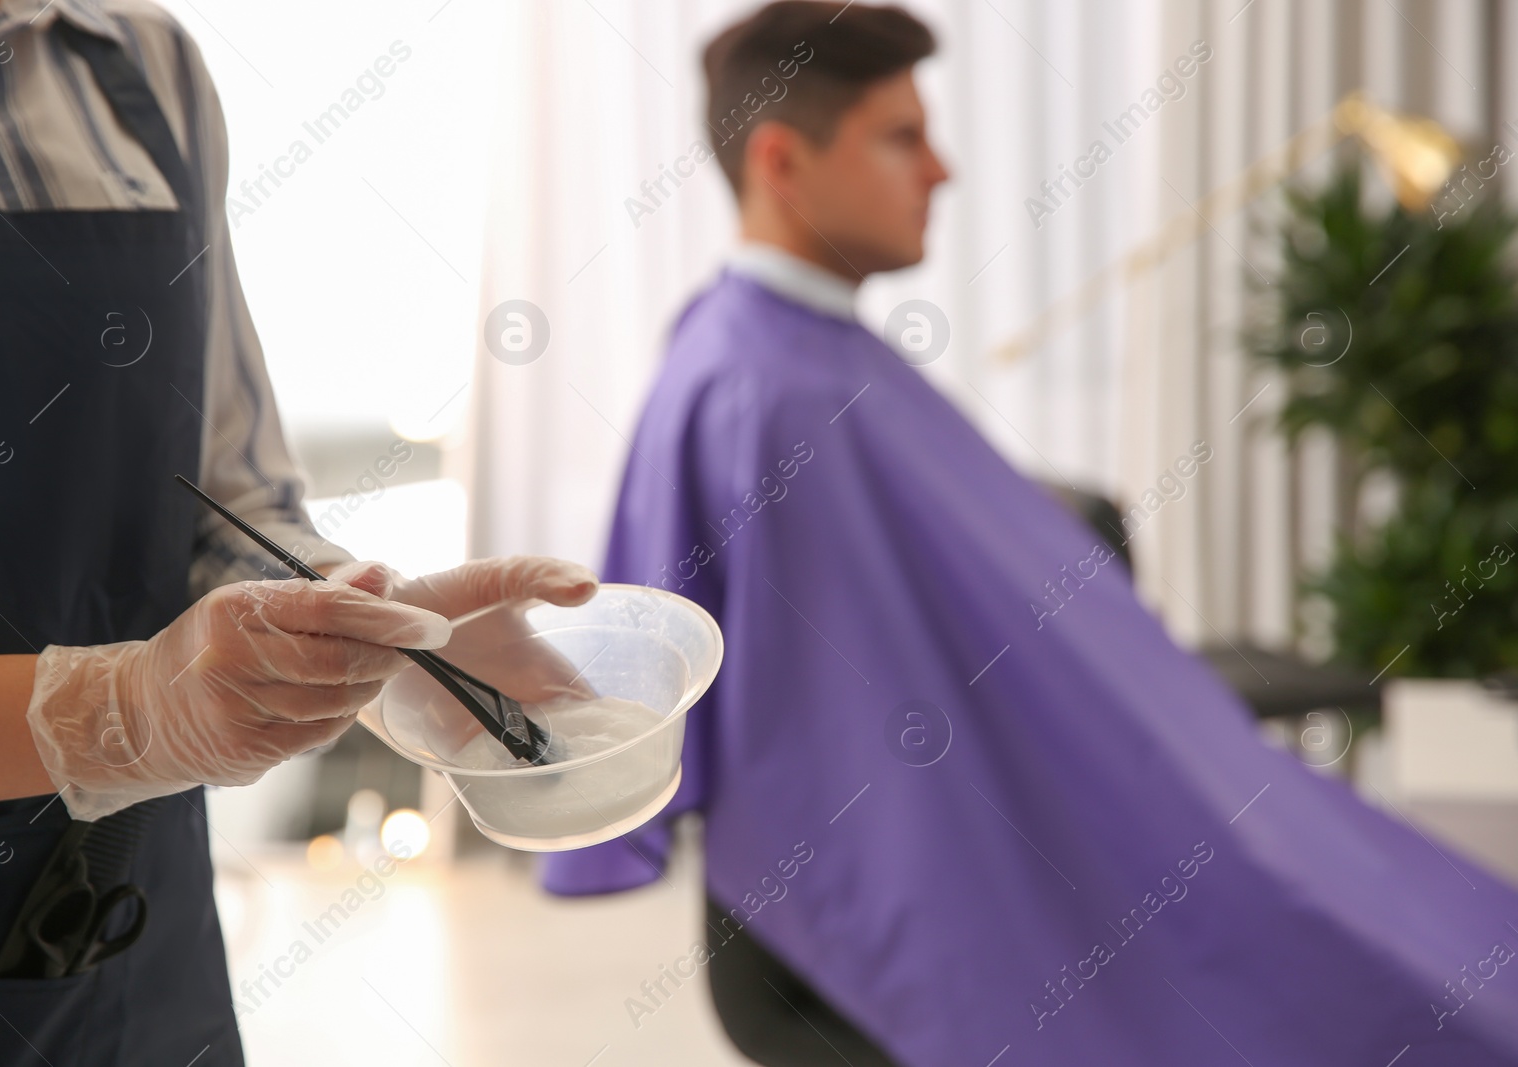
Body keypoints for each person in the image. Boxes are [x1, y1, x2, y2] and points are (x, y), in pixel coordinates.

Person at [541, 3, 1518, 1065]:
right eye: (902, 138)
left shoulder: (796, 356)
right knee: (1352, 951)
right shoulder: (763, 394)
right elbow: (839, 747)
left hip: (958, 853)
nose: (943, 170)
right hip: (880, 928)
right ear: (782, 159)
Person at [0, 1, 597, 1064]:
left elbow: (224, 492)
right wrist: (121, 708)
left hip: (131, 918)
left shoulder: (144, 68)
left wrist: (367, 624)